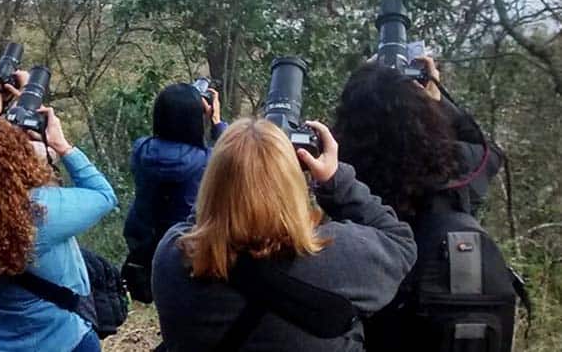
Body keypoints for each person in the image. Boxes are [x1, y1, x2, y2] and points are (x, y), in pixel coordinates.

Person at [152, 118, 417, 351]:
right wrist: (335, 181)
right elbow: (400, 241)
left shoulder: (172, 259)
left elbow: (200, 221)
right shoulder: (342, 258)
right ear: (293, 183)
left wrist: (231, 177)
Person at [333, 58, 513, 352]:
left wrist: (363, 84)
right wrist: (439, 100)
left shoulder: (357, 179)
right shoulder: (457, 168)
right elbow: (489, 152)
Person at [0, 108, 117, 352]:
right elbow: (104, 195)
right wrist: (61, 146)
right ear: (20, 160)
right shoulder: (41, 211)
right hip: (61, 341)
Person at [333, 57, 502, 221]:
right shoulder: (452, 163)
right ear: (424, 113)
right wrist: (439, 100)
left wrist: (364, 80)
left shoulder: (346, 176)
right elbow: (490, 153)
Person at [121, 83, 227, 301]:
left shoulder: (141, 150)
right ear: (196, 120)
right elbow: (235, 156)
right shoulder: (206, 162)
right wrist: (216, 122)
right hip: (184, 250)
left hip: (144, 246)